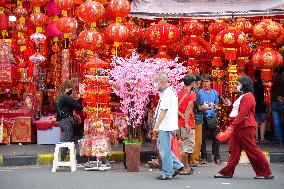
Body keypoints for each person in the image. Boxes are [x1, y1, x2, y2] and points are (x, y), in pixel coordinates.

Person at [214, 76, 274, 179]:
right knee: (234, 150)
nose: (237, 86)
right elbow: (240, 110)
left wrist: (232, 126)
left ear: (244, 85)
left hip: (244, 127)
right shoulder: (244, 96)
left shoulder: (248, 96)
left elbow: (242, 113)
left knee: (251, 150)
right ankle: (227, 172)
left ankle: (264, 172)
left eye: (238, 84)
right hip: (239, 126)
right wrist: (230, 104)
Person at [153, 72, 184, 180]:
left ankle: (167, 173)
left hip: (165, 126)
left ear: (160, 82)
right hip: (168, 125)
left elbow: (164, 110)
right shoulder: (170, 91)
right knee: (162, 147)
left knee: (164, 149)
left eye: (156, 82)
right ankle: (178, 165)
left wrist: (157, 125)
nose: (155, 84)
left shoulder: (167, 93)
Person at [56, 80, 83, 161]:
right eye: (70, 89)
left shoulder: (59, 97)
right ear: (66, 89)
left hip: (62, 121)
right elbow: (75, 105)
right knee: (66, 139)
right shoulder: (65, 97)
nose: (71, 91)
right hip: (66, 121)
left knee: (67, 138)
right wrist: (83, 109)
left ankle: (66, 157)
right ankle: (61, 158)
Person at [199, 74, 221, 165]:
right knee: (202, 138)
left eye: (207, 81)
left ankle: (217, 157)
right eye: (203, 82)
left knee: (216, 138)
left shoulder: (215, 92)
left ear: (210, 82)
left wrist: (216, 107)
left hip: (212, 117)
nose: (205, 84)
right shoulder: (199, 92)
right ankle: (204, 157)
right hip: (203, 117)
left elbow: (217, 104)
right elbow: (198, 105)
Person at [177, 74, 196, 175]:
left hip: (178, 123)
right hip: (187, 123)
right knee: (186, 146)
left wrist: (181, 115)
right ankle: (184, 168)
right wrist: (186, 122)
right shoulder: (192, 94)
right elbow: (189, 108)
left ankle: (186, 167)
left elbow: (175, 108)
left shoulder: (179, 93)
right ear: (192, 83)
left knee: (181, 145)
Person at [189, 74, 204, 167]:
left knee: (189, 139)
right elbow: (199, 107)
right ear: (197, 82)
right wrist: (207, 107)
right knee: (197, 140)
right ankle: (194, 160)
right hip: (197, 118)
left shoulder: (187, 91)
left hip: (189, 118)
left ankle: (190, 159)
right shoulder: (196, 92)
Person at [253, 70, 267, 143]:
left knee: (255, 121)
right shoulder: (264, 84)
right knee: (263, 121)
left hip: (255, 105)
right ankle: (262, 138)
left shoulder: (253, 84)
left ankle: (256, 139)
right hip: (262, 105)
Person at [271, 68, 284, 146]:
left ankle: (280, 141)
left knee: (276, 122)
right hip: (280, 102)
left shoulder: (273, 78)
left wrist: (278, 97)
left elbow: (269, 91)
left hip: (275, 102)